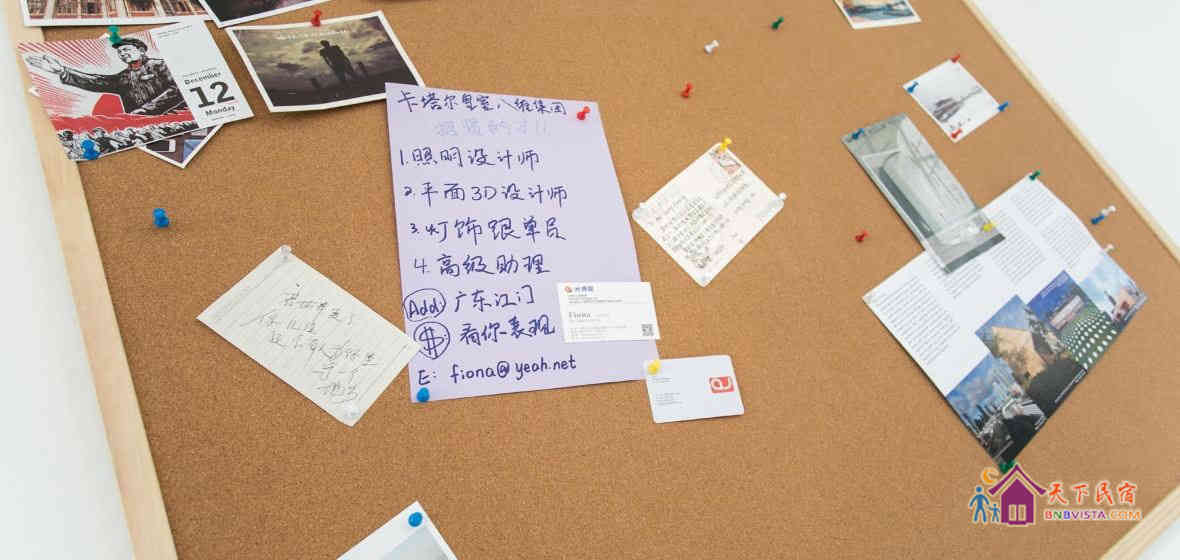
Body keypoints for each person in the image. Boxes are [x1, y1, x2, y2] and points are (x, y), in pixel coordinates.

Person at [25, 37, 185, 115]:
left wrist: (145, 110)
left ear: (141, 51)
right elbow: (96, 82)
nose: (123, 54)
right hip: (140, 124)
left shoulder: (160, 65)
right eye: (120, 52)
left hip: (174, 118)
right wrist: (62, 71)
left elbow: (176, 89)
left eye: (126, 49)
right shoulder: (123, 77)